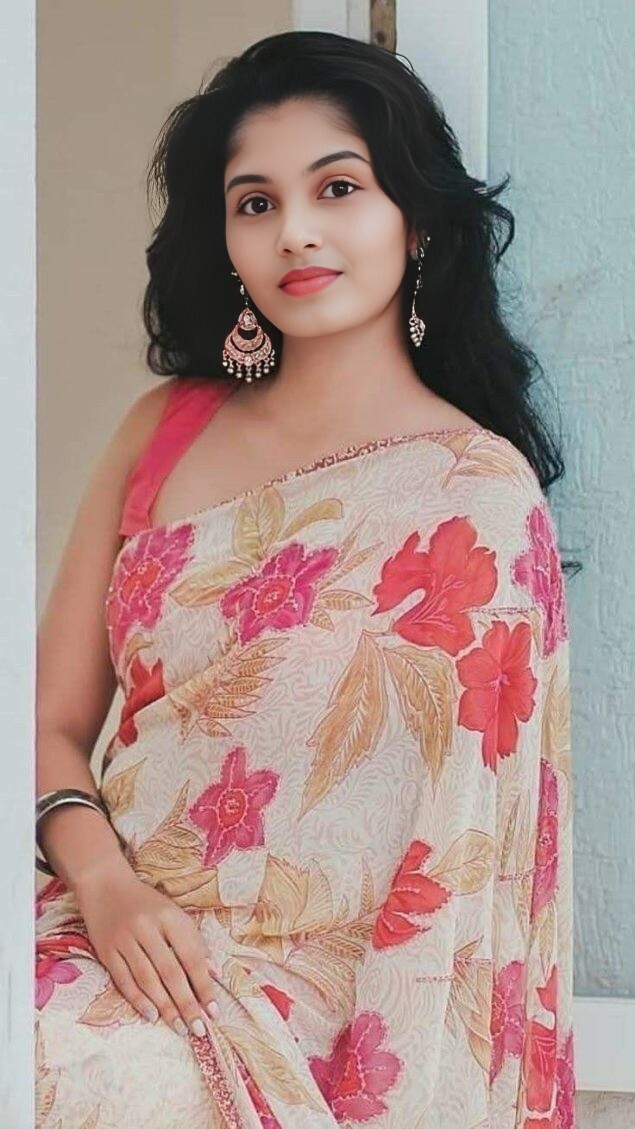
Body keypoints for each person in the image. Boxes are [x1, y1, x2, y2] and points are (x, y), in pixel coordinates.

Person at [34, 29, 578, 1128]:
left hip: (319, 1018)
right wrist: (104, 882)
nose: (294, 230)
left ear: (414, 221)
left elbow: (478, 864)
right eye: (255, 202)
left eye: (337, 187)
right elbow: (41, 723)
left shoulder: (475, 495)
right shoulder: (164, 429)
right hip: (97, 930)